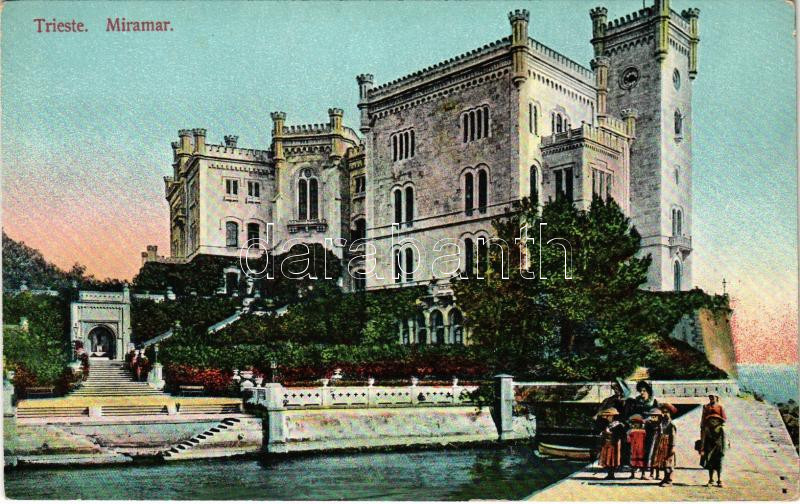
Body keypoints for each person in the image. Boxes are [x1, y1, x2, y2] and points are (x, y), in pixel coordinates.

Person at [596, 407, 627, 480]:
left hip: (614, 443)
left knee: (613, 459)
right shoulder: (607, 424)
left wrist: (611, 434)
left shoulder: (618, 425)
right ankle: (609, 474)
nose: (607, 418)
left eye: (608, 416)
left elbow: (622, 435)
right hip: (607, 443)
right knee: (607, 458)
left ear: (612, 416)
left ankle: (611, 474)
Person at [652, 404, 677, 486]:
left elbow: (673, 436)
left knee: (669, 462)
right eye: (663, 412)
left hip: (668, 445)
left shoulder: (671, 424)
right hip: (662, 445)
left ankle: (669, 480)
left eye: (666, 412)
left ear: (670, 413)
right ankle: (665, 478)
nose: (664, 414)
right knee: (663, 462)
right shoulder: (662, 423)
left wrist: (672, 447)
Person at [701, 413, 725, 487]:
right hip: (709, 450)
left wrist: (723, 450)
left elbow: (724, 440)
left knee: (719, 465)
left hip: (719, 449)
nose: (713, 422)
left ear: (719, 421)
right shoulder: (707, 429)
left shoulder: (721, 429)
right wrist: (702, 449)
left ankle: (719, 480)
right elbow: (704, 440)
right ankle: (711, 480)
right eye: (711, 420)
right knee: (710, 465)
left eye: (715, 420)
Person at [627, 414, 648, 479]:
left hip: (639, 448)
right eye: (634, 423)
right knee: (635, 461)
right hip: (635, 448)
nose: (635, 424)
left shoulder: (632, 431)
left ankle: (641, 474)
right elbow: (628, 440)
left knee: (640, 461)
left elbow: (628, 441)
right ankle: (635, 474)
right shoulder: (632, 431)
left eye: (637, 423)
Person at [644, 407, 662, 480]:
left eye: (655, 416)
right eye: (652, 416)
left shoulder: (660, 424)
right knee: (650, 457)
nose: (654, 417)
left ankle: (657, 474)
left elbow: (661, 433)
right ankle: (651, 474)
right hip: (650, 442)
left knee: (657, 458)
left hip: (658, 443)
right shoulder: (648, 423)